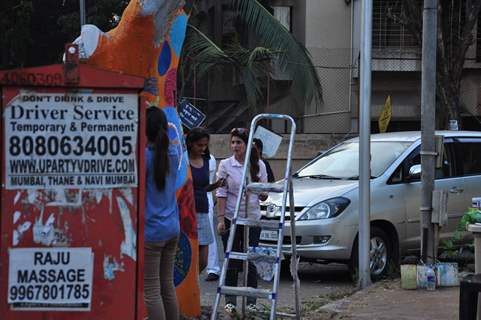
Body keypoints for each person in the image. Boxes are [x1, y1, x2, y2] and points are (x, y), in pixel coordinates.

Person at [216, 128, 268, 315]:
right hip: (231, 217)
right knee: (232, 259)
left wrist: (260, 193)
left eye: (239, 142)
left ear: (247, 145)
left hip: (252, 218)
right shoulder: (225, 165)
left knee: (251, 260)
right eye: (233, 142)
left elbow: (264, 194)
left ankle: (251, 302)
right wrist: (221, 219)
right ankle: (230, 301)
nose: (235, 146)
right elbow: (221, 193)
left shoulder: (258, 165)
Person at [144, 107, 180, 320]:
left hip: (152, 230)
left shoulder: (145, 157)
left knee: (151, 289)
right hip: (172, 228)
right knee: (167, 285)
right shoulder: (173, 154)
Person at [186, 127, 225, 273]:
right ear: (190, 143)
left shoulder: (207, 160)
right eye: (199, 145)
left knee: (203, 260)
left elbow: (204, 187)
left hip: (202, 210)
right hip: (186, 212)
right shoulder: (183, 159)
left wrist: (216, 185)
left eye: (205, 145)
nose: (202, 148)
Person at [205, 151, 222, 281]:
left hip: (204, 197)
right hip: (188, 197)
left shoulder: (209, 158)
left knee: (209, 233)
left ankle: (213, 268)